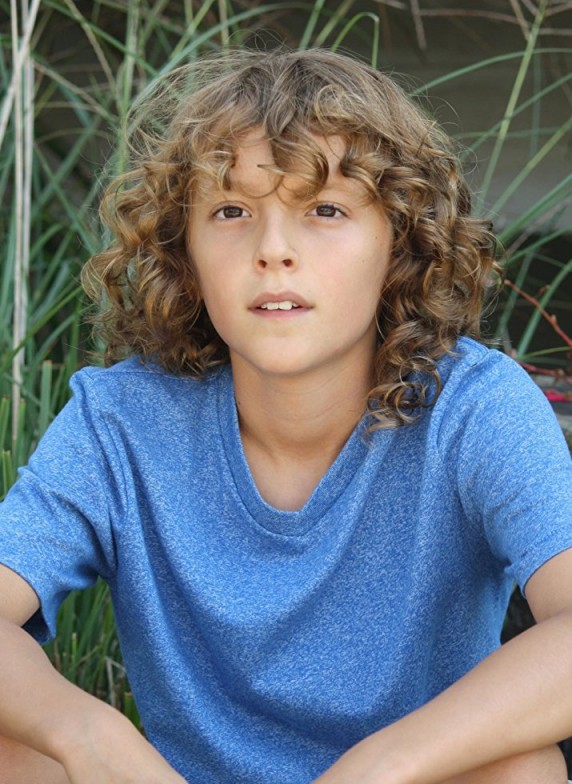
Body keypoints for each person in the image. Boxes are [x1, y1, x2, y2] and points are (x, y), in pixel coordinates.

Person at [0, 47, 571, 784]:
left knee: (521, 768)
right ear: (184, 251)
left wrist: (378, 767)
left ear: (399, 243)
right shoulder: (122, 420)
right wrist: (86, 733)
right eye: (231, 211)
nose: (273, 251)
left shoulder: (475, 407)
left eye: (325, 210)